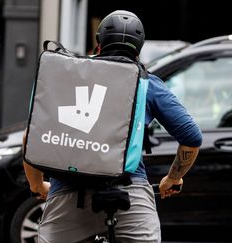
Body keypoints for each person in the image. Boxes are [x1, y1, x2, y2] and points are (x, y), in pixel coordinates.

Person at [23, 10, 202, 243]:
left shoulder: (70, 76)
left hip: (68, 197)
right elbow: (192, 137)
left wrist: (37, 185)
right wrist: (173, 178)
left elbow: (31, 138)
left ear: (99, 44)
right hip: (130, 195)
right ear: (138, 49)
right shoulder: (147, 83)